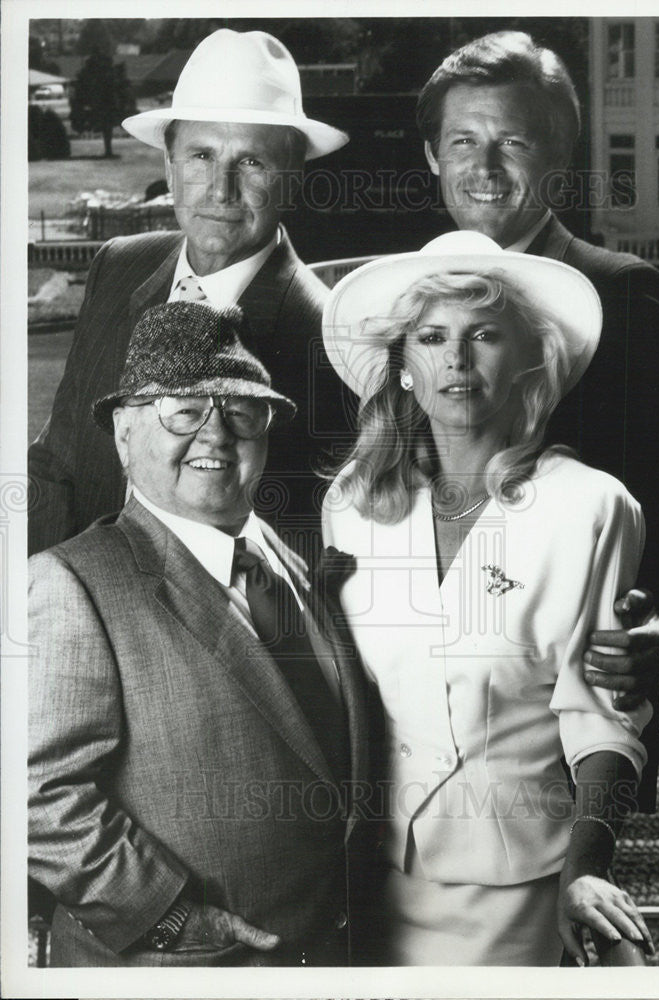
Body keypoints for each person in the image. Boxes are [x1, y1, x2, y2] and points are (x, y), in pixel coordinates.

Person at [415, 31, 659, 805]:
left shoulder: (624, 297)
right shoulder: (410, 300)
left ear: (558, 159)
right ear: (433, 157)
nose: (484, 167)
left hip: (575, 721)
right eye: (462, 140)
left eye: (513, 142)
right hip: (417, 728)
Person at [321, 230, 656, 965]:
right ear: (402, 367)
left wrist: (585, 870)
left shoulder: (590, 507)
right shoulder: (352, 505)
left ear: (528, 361)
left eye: (484, 336)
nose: (456, 359)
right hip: (367, 878)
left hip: (520, 880)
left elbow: (600, 715)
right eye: (432, 336)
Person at [28, 301, 370, 966]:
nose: (216, 435)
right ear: (125, 434)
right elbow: (36, 793)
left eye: (239, 411)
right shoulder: (70, 586)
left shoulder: (285, 563)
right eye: (183, 411)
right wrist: (167, 919)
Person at [28, 29, 354, 559]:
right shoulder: (118, 266)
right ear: (169, 170)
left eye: (251, 162)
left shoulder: (334, 342)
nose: (220, 188)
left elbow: (310, 553)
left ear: (292, 179)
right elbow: (57, 460)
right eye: (201, 155)